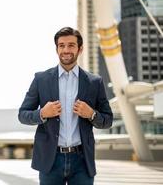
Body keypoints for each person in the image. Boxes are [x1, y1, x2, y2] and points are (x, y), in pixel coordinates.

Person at [18, 27, 113, 185]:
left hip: (82, 161)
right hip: (50, 160)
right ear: (56, 49)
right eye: (61, 45)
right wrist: (42, 113)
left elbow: (108, 120)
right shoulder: (41, 79)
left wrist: (92, 114)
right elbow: (22, 115)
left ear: (80, 49)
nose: (66, 50)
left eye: (71, 45)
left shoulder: (94, 82)